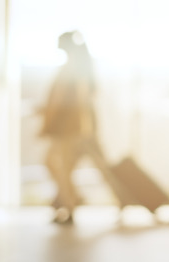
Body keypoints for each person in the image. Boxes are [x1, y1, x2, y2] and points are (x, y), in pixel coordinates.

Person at [40, 30, 133, 224]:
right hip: (76, 128)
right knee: (94, 166)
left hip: (71, 129)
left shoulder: (74, 68)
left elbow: (71, 101)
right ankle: (75, 200)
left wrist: (74, 125)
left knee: (65, 167)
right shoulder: (76, 66)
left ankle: (70, 205)